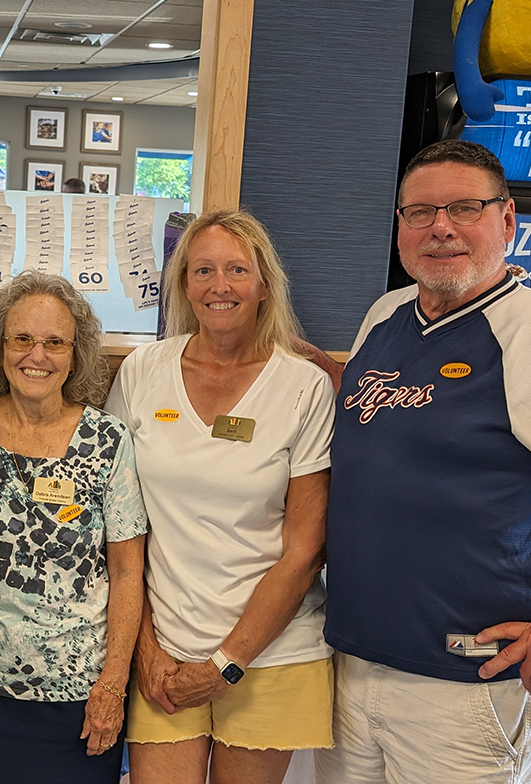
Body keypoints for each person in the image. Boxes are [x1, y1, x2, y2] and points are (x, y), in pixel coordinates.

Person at [316, 139, 531, 784]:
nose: (440, 227)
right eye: (419, 212)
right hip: (354, 667)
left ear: (508, 219)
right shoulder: (386, 316)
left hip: (469, 691)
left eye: (464, 208)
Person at [105, 209, 335, 784]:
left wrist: (226, 663)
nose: (219, 285)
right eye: (202, 269)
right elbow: (120, 527)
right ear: (183, 284)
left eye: (237, 269)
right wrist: (145, 648)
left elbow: (305, 549)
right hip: (164, 651)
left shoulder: (301, 385)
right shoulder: (142, 372)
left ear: (263, 285)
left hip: (270, 651)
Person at [0, 271, 148, 784]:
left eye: (55, 342)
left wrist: (112, 686)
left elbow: (127, 571)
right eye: (22, 339)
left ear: (75, 354)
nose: (37, 355)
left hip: (81, 697)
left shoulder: (107, 441)